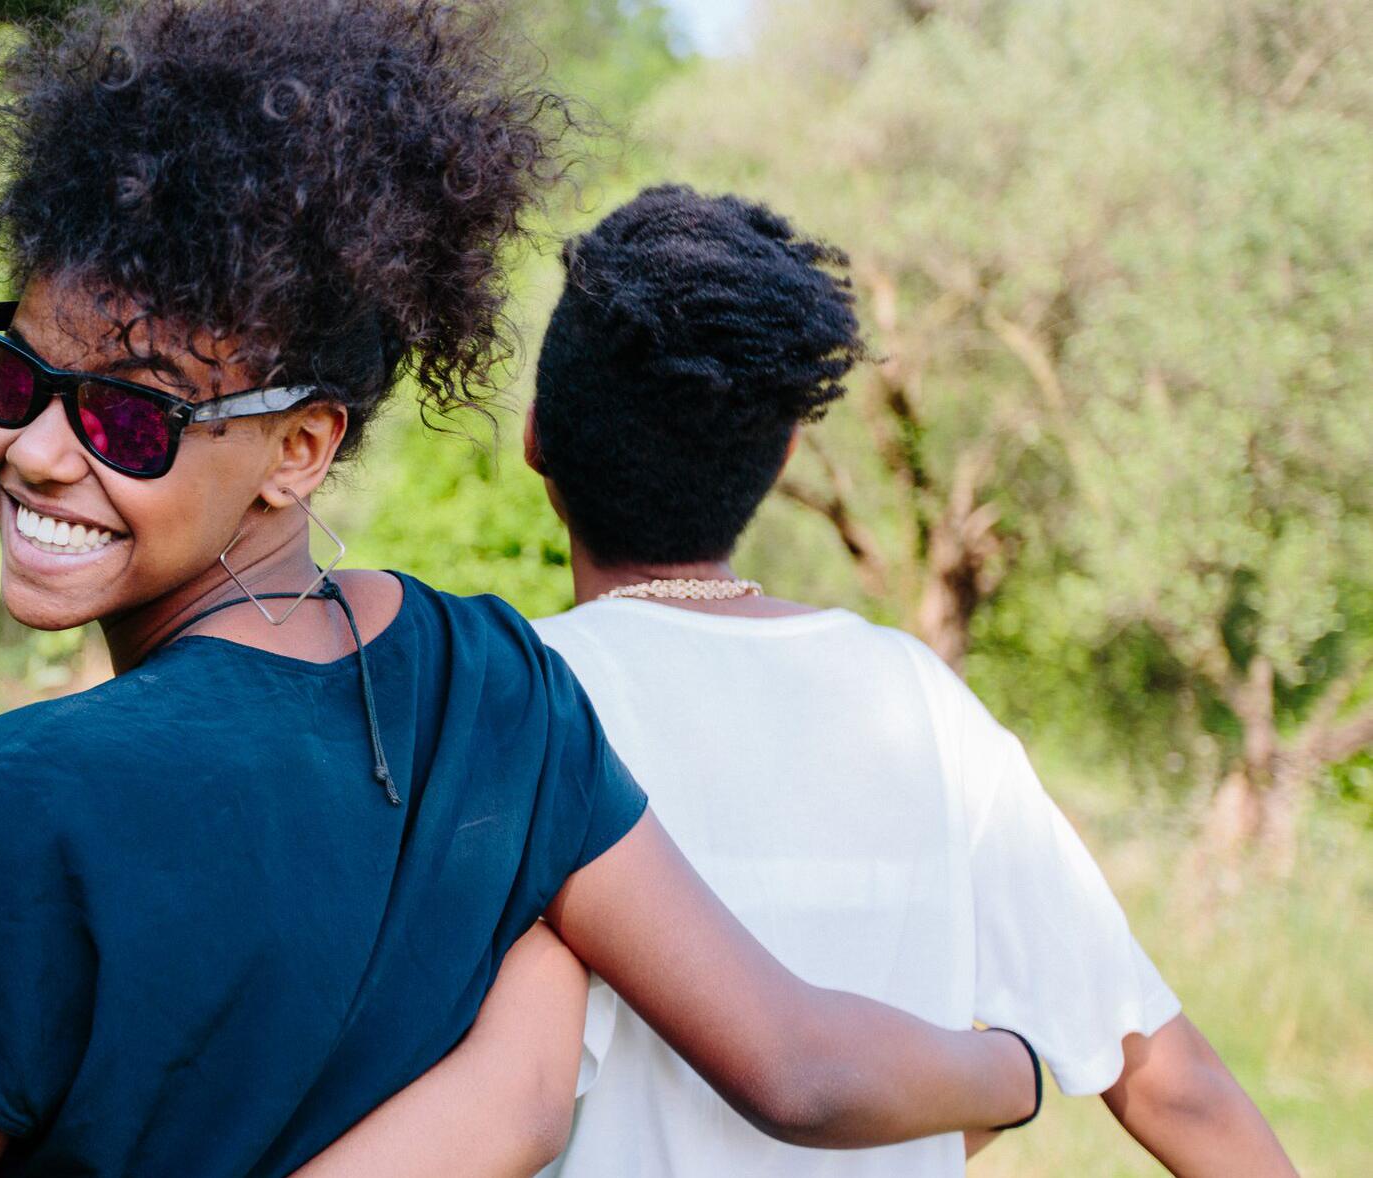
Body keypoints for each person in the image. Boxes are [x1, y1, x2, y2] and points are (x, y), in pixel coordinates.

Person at [0, 8, 1037, 1177]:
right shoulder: (496, 691)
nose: (37, 449)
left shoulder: (30, 794)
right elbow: (785, 1066)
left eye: (128, 415)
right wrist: (1021, 1068)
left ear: (300, 449)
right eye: (11, 370)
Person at [359, 183, 1293, 1176]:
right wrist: (1005, 1076)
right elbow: (1169, 1080)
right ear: (784, 453)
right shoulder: (920, 704)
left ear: (536, 435)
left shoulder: (498, 700)